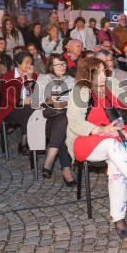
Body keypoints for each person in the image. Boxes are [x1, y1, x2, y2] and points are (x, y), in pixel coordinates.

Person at [66, 57, 127, 239]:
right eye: (98, 72)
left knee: (117, 166)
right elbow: (75, 123)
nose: (103, 75)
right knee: (112, 145)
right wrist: (102, 129)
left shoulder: (112, 85)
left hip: (114, 140)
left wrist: (122, 130)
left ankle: (118, 218)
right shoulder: (80, 91)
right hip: (86, 140)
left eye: (103, 70)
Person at [31, 54, 76, 185]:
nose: (61, 67)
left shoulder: (72, 81)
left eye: (63, 64)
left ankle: (49, 162)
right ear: (51, 66)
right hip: (46, 119)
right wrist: (48, 100)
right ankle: (66, 170)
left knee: (64, 122)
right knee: (64, 124)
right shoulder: (43, 79)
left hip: (65, 117)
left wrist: (65, 102)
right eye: (57, 64)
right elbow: (35, 102)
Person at [0, 51, 38, 156]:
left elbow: (37, 93)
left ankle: (32, 140)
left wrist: (30, 79)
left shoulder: (34, 76)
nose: (29, 65)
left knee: (32, 109)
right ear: (18, 63)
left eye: (31, 63)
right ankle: (24, 142)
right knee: (29, 109)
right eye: (27, 62)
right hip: (11, 109)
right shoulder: (6, 77)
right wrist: (22, 101)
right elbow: (7, 96)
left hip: (28, 108)